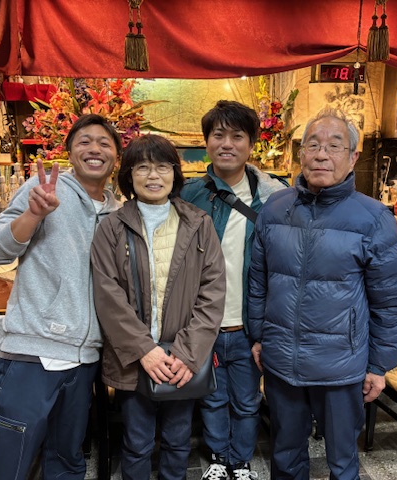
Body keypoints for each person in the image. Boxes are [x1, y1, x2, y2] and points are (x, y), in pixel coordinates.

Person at [248, 107, 397, 480]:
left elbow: (392, 301)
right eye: (313, 145)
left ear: (353, 157)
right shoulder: (275, 208)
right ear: (300, 153)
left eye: (334, 146)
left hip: (342, 365)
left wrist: (378, 366)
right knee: (285, 454)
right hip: (282, 359)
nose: (322, 154)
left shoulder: (374, 218)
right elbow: (258, 279)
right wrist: (258, 336)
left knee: (342, 460)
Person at [0, 114, 122, 480]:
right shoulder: (44, 189)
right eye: (84, 141)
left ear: (116, 156)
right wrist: (33, 214)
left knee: (67, 460)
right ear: (70, 152)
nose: (94, 149)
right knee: (8, 464)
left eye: (104, 143)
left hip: (85, 360)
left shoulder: (117, 213)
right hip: (33, 352)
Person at [91, 134, 226, 480]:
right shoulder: (111, 227)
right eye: (143, 167)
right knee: (136, 442)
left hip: (180, 359)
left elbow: (212, 293)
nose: (154, 175)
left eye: (163, 167)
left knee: (178, 440)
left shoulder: (199, 224)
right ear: (129, 176)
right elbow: (107, 295)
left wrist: (187, 353)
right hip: (134, 358)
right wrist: (144, 351)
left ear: (175, 173)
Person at [181, 100, 289, 480]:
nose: (227, 144)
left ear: (252, 144)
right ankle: (217, 458)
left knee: (246, 400)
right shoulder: (187, 195)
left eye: (237, 136)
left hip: (249, 324)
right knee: (211, 398)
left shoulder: (274, 198)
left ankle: (240, 461)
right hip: (203, 323)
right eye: (218, 135)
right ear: (207, 142)